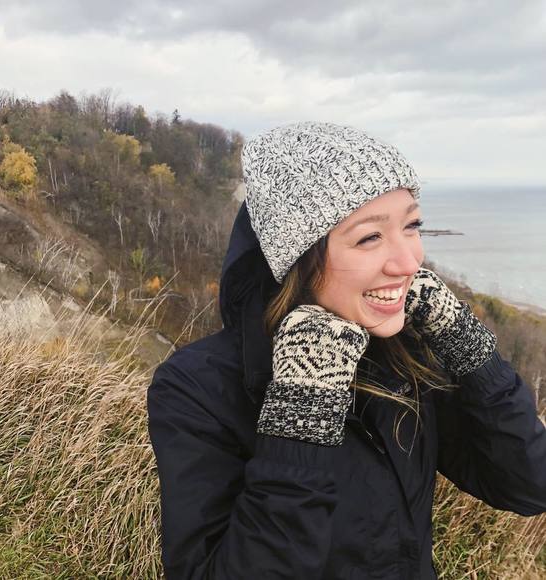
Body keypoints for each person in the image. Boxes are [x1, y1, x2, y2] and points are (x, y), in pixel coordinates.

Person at [147, 121, 546, 579]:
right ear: (298, 256)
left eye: (412, 225)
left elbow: (529, 483)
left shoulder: (405, 354)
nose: (410, 262)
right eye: (369, 237)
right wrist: (301, 414)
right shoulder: (197, 388)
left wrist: (470, 349)